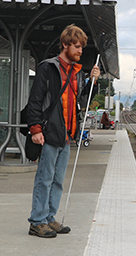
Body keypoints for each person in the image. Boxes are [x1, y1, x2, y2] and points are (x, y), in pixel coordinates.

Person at [25, 24, 100, 238]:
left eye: (81, 48)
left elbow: (82, 100)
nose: (80, 51)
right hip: (49, 133)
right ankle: (37, 221)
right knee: (45, 178)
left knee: (57, 180)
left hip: (67, 135)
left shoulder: (77, 73)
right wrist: (36, 129)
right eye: (76, 47)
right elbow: (35, 101)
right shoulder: (48, 68)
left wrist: (93, 82)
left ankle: (49, 218)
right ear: (65, 45)